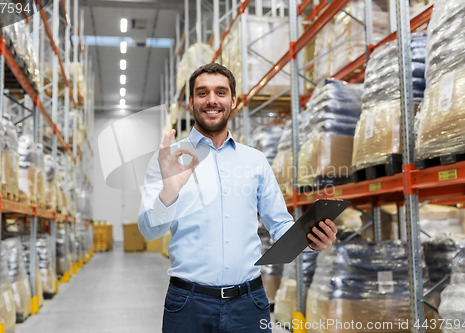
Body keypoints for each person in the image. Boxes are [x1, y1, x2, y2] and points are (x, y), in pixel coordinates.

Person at [138, 63, 338, 333]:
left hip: (249, 304)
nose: (212, 100)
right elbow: (149, 231)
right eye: (202, 92)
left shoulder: (254, 160)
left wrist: (311, 239)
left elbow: (280, 225)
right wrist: (169, 191)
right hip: (188, 305)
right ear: (190, 102)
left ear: (233, 100)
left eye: (221, 92)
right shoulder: (169, 159)